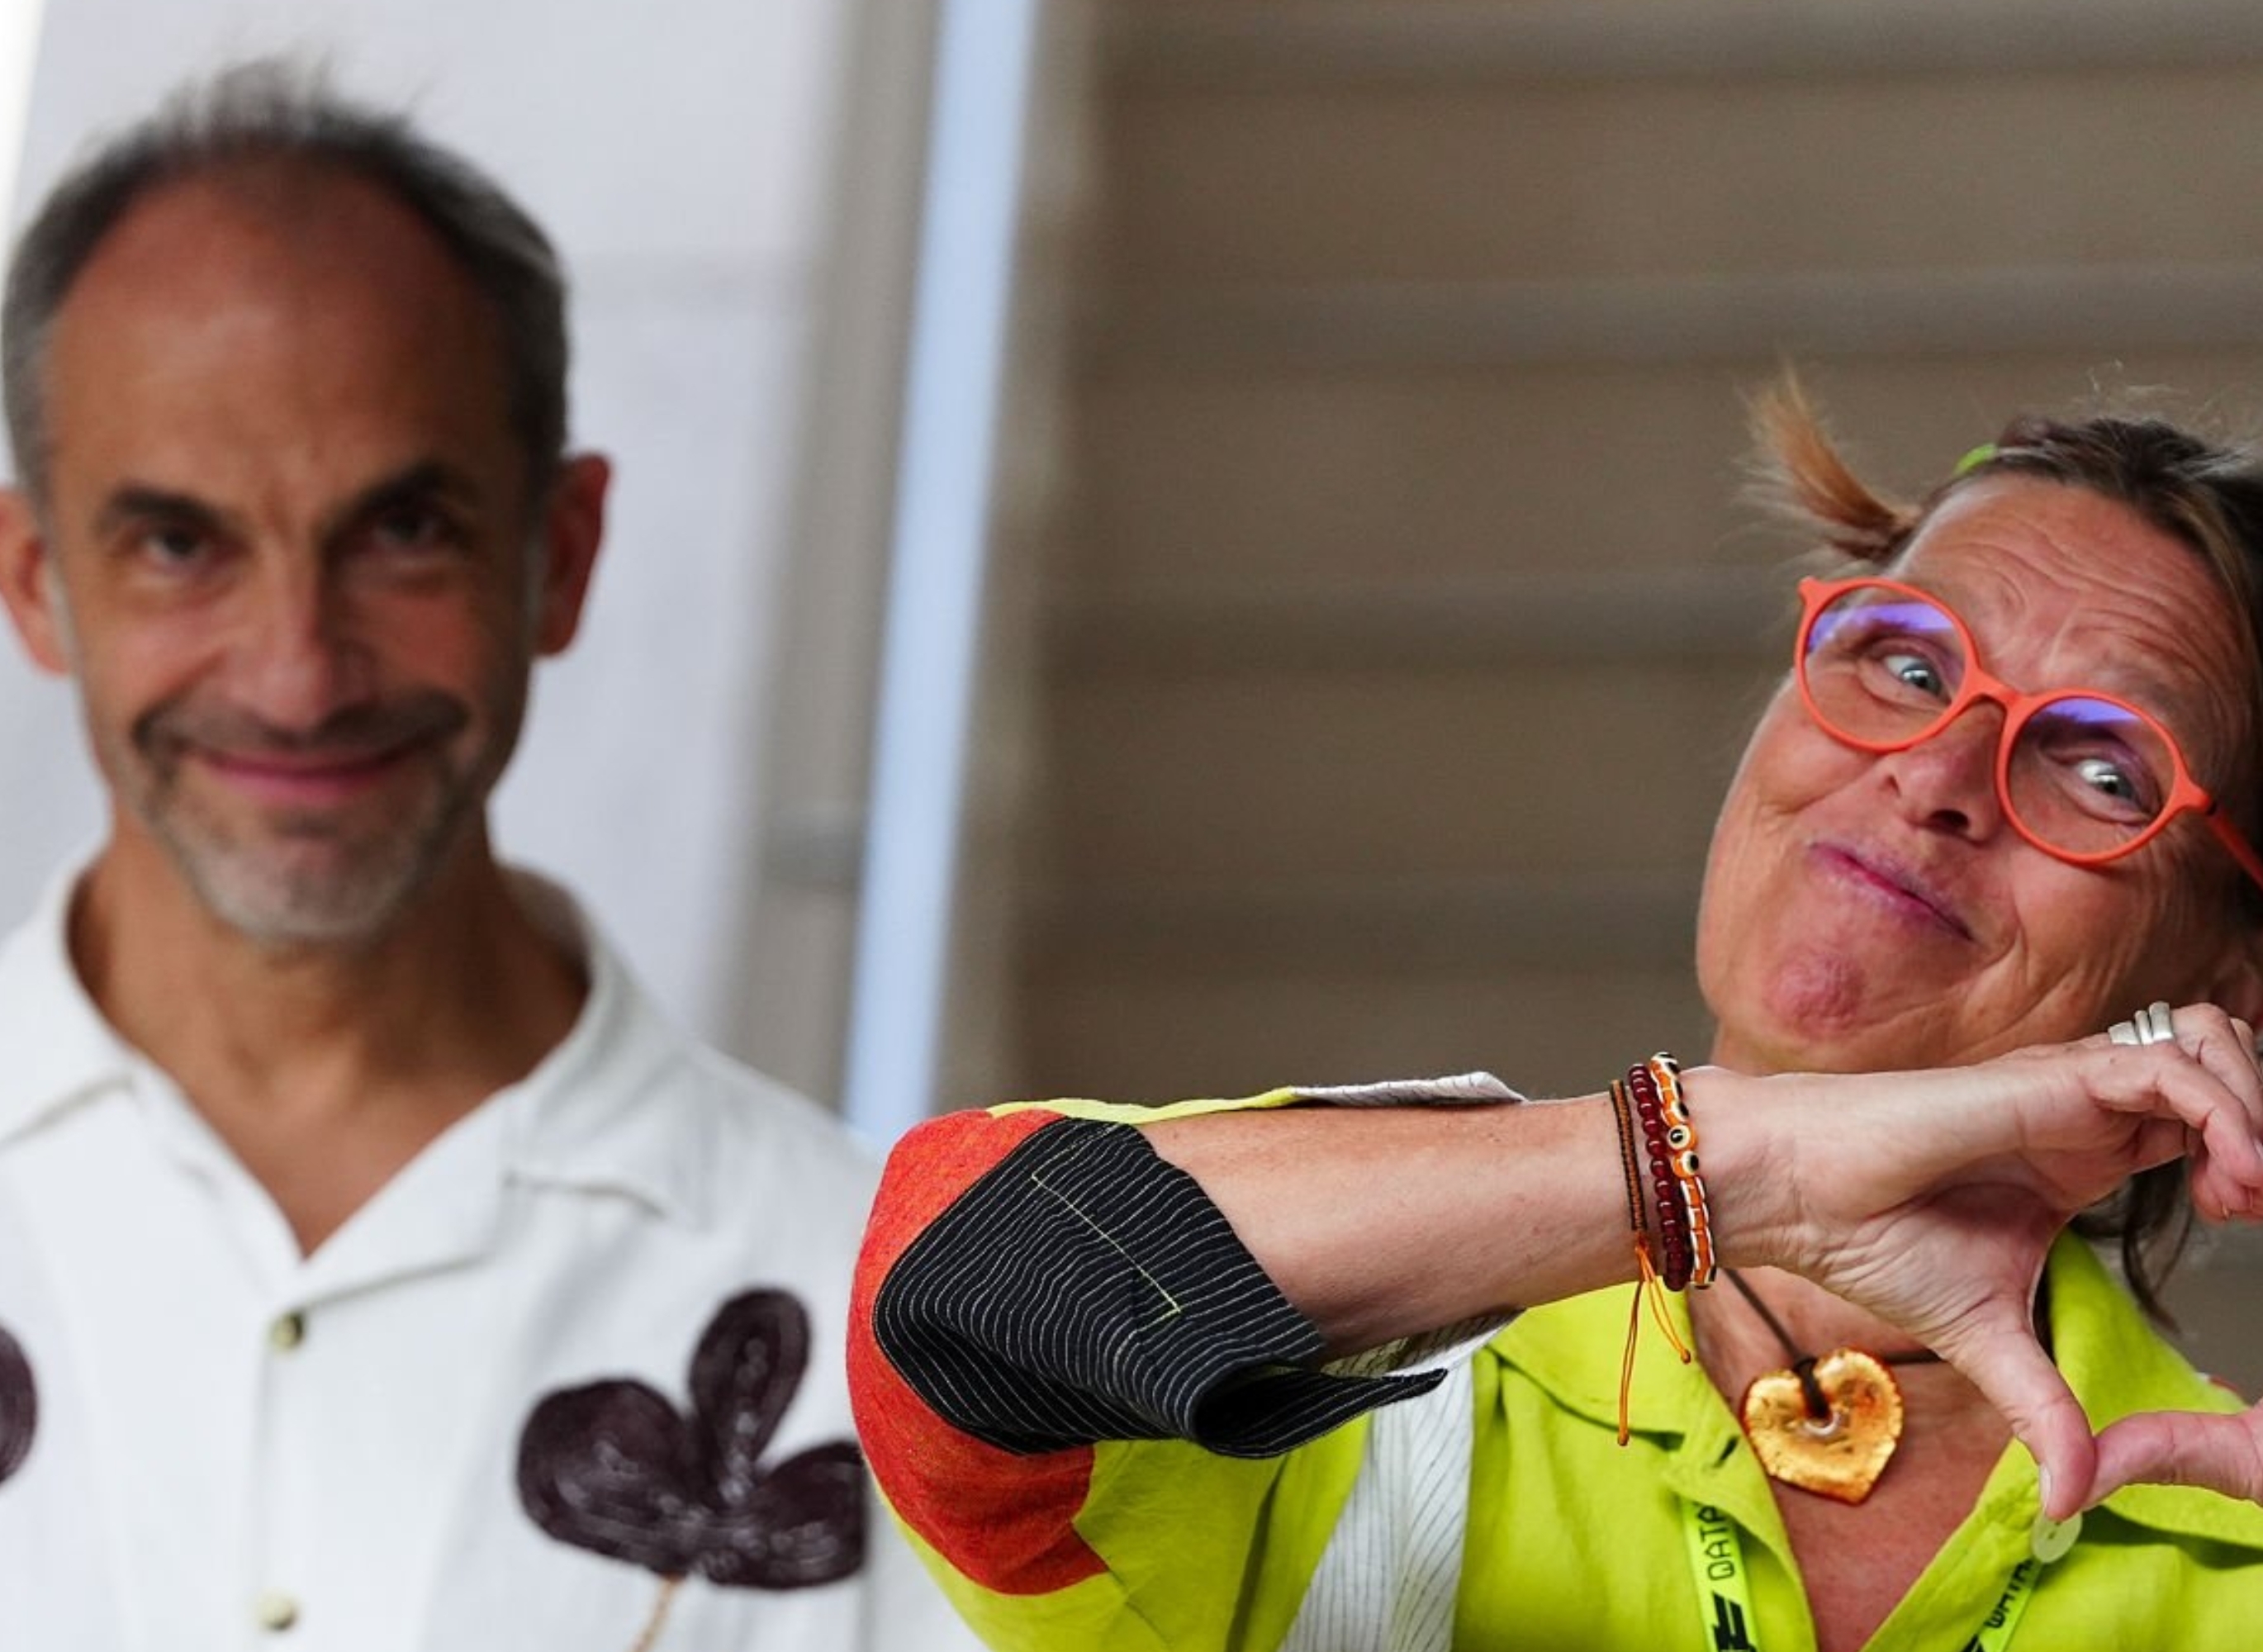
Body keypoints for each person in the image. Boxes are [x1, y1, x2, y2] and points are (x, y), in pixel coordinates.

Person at [851, 378, 2263, 1651]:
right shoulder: (1370, 1358)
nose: (1936, 770)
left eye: (2104, 768)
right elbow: (957, 1292)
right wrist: (1726, 1171)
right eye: (1903, 662)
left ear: (2232, 979)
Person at [0, 64, 979, 1650]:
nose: (299, 674)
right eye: (181, 544)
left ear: (563, 556)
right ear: (36, 581)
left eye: (404, 532)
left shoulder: (890, 1348)